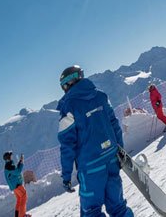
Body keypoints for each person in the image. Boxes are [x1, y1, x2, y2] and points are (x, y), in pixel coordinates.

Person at [57, 64, 133, 217]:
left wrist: (66, 177)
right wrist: (120, 151)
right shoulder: (101, 96)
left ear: (67, 84)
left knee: (91, 212)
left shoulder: (68, 106)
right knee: (118, 207)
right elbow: (114, 125)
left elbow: (67, 146)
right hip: (111, 158)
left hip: (90, 166)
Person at [3, 151, 30, 217]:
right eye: (10, 156)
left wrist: (20, 162)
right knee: (24, 197)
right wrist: (21, 163)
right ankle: (22, 215)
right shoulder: (9, 166)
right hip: (16, 185)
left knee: (19, 199)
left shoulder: (9, 164)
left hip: (14, 186)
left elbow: (15, 169)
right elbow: (17, 172)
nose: (12, 157)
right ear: (8, 158)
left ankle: (17, 215)